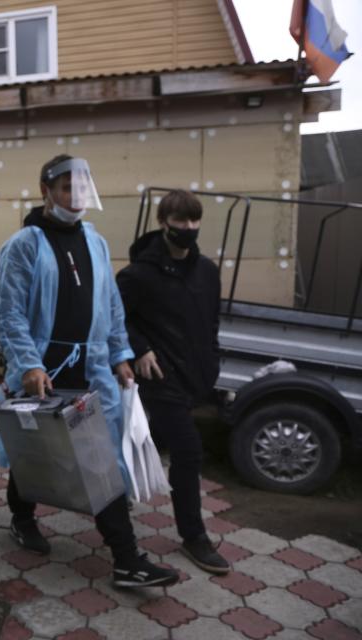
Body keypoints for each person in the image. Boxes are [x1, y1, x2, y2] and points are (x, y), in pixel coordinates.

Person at [0, 154, 178, 588]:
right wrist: (29, 364)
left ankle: (126, 558)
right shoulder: (26, 244)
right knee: (34, 451)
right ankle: (22, 517)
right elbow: (8, 313)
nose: (73, 198)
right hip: (47, 369)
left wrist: (119, 354)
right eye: (64, 189)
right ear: (46, 190)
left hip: (92, 367)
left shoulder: (94, 240)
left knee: (101, 459)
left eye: (80, 189)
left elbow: (111, 305)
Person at [116, 189, 228, 574]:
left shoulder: (207, 271)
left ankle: (118, 493)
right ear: (164, 222)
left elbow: (212, 321)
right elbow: (115, 318)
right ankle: (194, 536)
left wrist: (211, 363)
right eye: (181, 221)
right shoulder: (139, 274)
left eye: (195, 220)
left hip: (195, 377)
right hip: (160, 377)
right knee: (188, 451)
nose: (189, 228)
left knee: (150, 443)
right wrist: (139, 348)